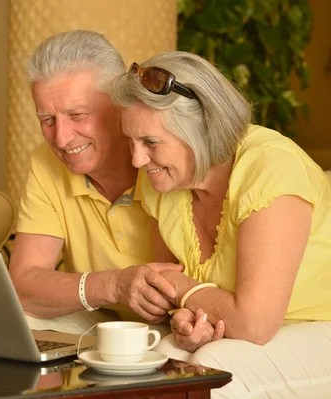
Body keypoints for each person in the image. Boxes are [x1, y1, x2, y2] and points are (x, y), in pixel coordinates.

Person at [109, 51, 331, 397]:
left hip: (322, 325)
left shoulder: (271, 169)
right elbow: (174, 291)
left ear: (203, 131)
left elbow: (254, 323)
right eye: (131, 142)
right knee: (162, 355)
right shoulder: (162, 180)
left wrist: (182, 291)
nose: (137, 160)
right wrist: (184, 321)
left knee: (216, 366)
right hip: (262, 332)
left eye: (150, 142)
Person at [8, 30, 184, 324]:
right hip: (107, 314)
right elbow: (23, 284)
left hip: (178, 321)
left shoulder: (165, 154)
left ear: (119, 103)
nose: (61, 139)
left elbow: (177, 288)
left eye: (77, 115)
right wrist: (113, 286)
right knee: (22, 322)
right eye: (47, 120)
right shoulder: (46, 161)